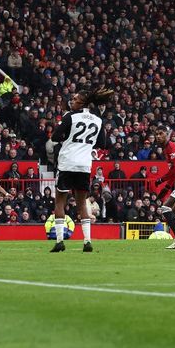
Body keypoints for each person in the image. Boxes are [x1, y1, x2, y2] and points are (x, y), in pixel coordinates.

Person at [49, 86, 110, 253]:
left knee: (59, 201)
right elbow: (103, 144)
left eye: (75, 99)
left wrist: (68, 138)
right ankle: (87, 241)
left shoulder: (71, 117)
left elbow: (55, 137)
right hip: (84, 165)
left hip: (67, 162)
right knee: (82, 202)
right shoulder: (98, 120)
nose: (72, 101)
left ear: (82, 102)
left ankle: (60, 241)